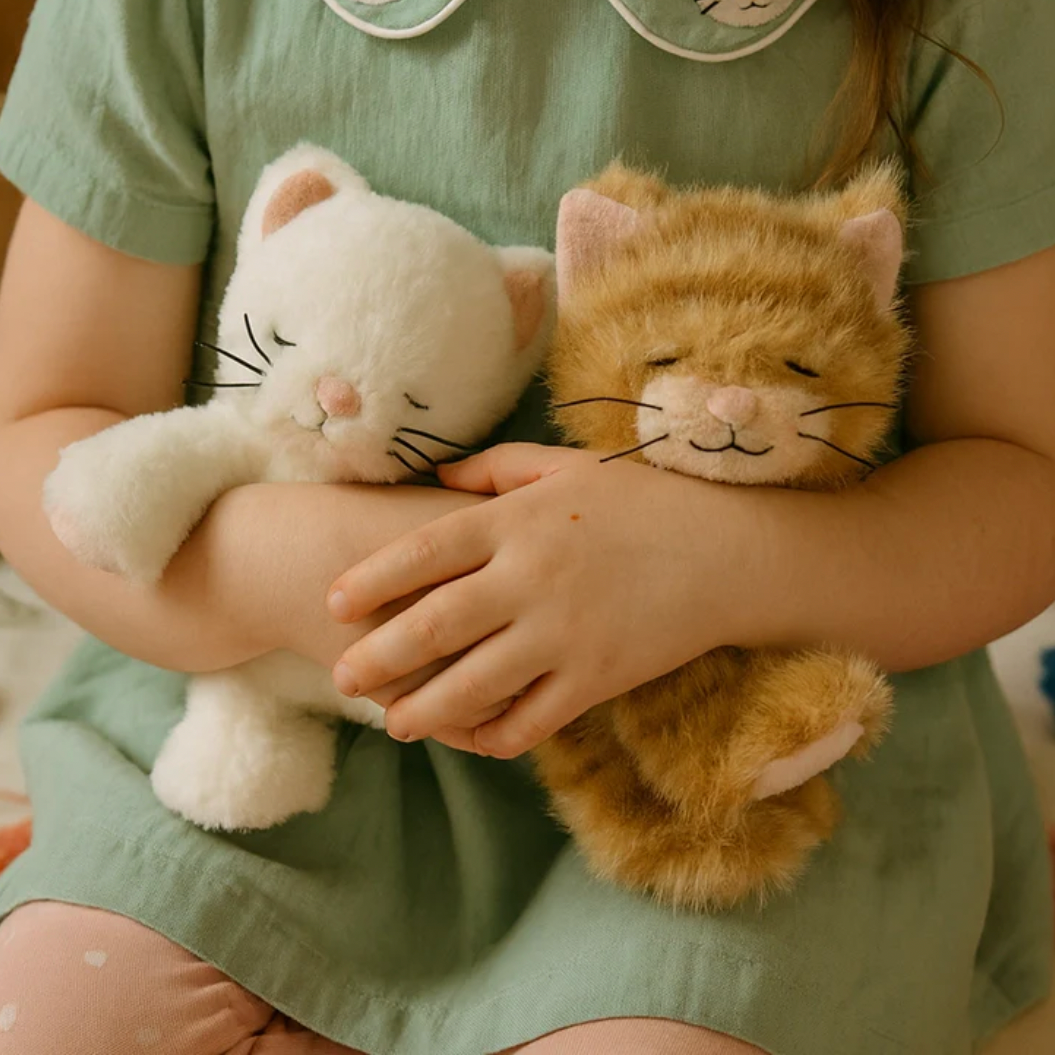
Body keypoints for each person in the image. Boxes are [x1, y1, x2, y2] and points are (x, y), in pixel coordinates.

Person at [0, 1, 1052, 1052]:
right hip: (251, 706)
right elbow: (43, 429)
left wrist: (712, 562)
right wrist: (328, 569)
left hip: (716, 761)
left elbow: (1017, 479)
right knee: (63, 1017)